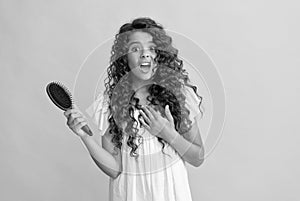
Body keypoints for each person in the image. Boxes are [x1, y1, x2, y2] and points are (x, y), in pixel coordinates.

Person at [64, 17, 205, 201]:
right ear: (125, 58)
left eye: (152, 48)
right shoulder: (110, 103)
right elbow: (114, 169)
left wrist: (168, 133)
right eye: (135, 49)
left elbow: (198, 158)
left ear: (159, 55)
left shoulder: (179, 95)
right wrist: (85, 137)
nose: (145, 54)